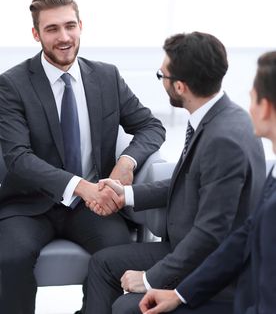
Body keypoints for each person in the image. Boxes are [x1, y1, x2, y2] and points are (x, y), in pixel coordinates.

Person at [0, 0, 166, 314]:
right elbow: (18, 158)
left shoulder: (106, 76)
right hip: (31, 204)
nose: (64, 37)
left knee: (119, 253)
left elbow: (151, 127)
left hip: (94, 206)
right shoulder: (12, 85)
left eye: (70, 26)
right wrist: (81, 186)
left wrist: (126, 162)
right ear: (36, 34)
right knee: (10, 258)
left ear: (80, 26)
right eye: (52, 29)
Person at [83, 31, 266, 314]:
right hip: (184, 246)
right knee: (102, 264)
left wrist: (149, 279)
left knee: (126, 306)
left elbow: (210, 234)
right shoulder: (219, 117)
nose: (162, 81)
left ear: (179, 86)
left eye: (162, 75)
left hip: (209, 264)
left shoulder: (223, 139)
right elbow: (190, 180)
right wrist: (127, 194)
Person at [139, 50, 276, 314]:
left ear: (266, 107)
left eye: (253, 99)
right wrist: (180, 295)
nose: (248, 108)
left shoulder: (224, 136)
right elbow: (242, 239)